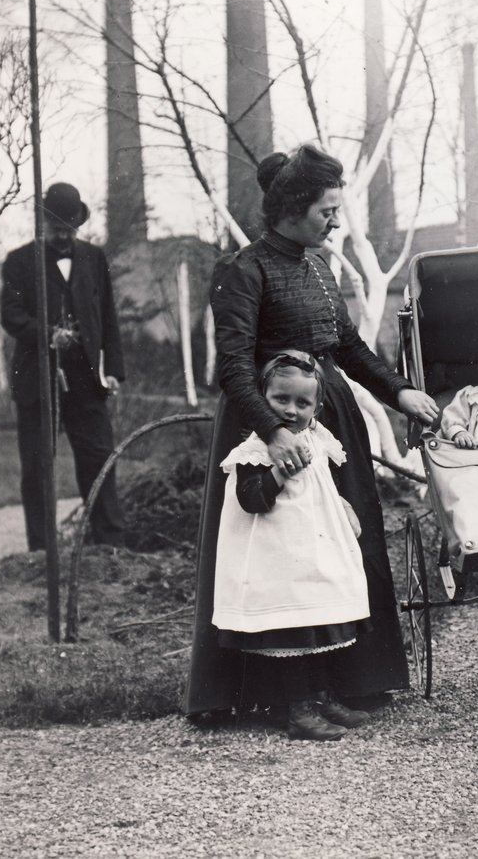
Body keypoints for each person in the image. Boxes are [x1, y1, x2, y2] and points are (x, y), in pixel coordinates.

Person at [184, 144, 439, 721]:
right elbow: (233, 366)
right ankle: (276, 695)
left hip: (330, 423)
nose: (335, 220)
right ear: (293, 207)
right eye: (327, 209)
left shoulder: (320, 267)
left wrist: (399, 392)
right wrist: (273, 432)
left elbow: (346, 347)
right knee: (283, 558)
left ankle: (345, 681)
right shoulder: (243, 270)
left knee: (341, 547)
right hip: (268, 422)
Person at [213, 351, 373, 741]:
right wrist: (277, 475)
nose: (291, 410)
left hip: (312, 551)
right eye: (280, 400)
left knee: (317, 624)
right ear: (262, 400)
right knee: (292, 630)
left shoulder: (316, 438)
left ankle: (321, 696)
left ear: (316, 406)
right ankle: (298, 709)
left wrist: (341, 507)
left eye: (302, 403)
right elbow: (252, 500)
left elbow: (321, 483)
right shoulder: (255, 451)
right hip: (278, 555)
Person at [0, 182, 126, 550]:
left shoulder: (94, 257)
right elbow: (11, 315)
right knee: (38, 467)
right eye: (57, 229)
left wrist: (114, 369)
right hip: (37, 379)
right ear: (43, 222)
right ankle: (42, 550)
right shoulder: (19, 261)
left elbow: (107, 318)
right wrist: (46, 335)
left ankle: (110, 545)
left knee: (99, 458)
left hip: (87, 380)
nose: (64, 236)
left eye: (70, 229)